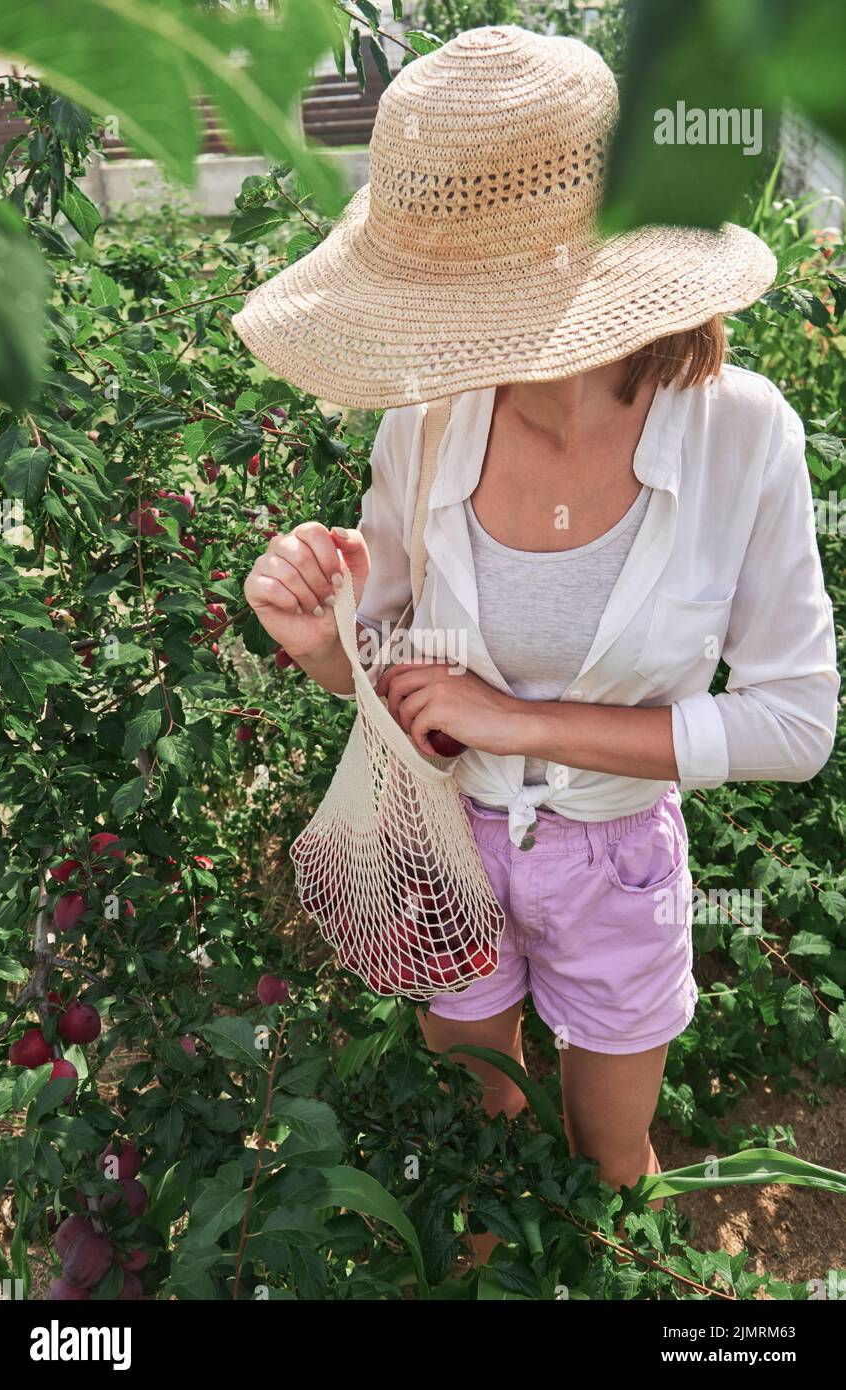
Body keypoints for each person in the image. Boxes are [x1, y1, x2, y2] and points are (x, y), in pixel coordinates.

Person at [236, 27, 839, 1236]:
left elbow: (795, 723)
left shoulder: (739, 437)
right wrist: (323, 643)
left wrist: (522, 721)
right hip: (441, 840)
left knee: (608, 1164)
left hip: (619, 867)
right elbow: (398, 665)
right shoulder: (422, 426)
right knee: (477, 1139)